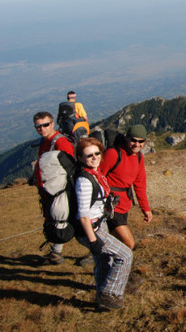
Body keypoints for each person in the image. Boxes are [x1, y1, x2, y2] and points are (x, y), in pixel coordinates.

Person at [75, 137, 133, 310]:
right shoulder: (84, 180)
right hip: (91, 229)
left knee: (103, 262)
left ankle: (101, 300)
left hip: (99, 224)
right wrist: (93, 241)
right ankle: (109, 293)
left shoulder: (97, 174)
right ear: (80, 158)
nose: (94, 157)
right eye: (88, 155)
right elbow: (83, 214)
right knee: (125, 255)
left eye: (97, 153)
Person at [100, 124, 152, 250]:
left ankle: (104, 263)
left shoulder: (139, 157)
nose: (137, 144)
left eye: (141, 141)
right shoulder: (113, 154)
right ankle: (117, 267)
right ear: (126, 138)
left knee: (116, 241)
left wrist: (145, 208)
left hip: (124, 205)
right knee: (129, 243)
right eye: (133, 140)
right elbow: (98, 177)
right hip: (111, 206)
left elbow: (140, 185)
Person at [33, 111, 75, 265]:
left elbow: (69, 167)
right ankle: (56, 253)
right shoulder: (44, 142)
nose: (42, 128)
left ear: (52, 124)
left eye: (45, 125)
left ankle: (94, 250)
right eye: (38, 126)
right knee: (58, 220)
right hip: (51, 189)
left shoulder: (60, 142)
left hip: (61, 190)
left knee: (65, 219)